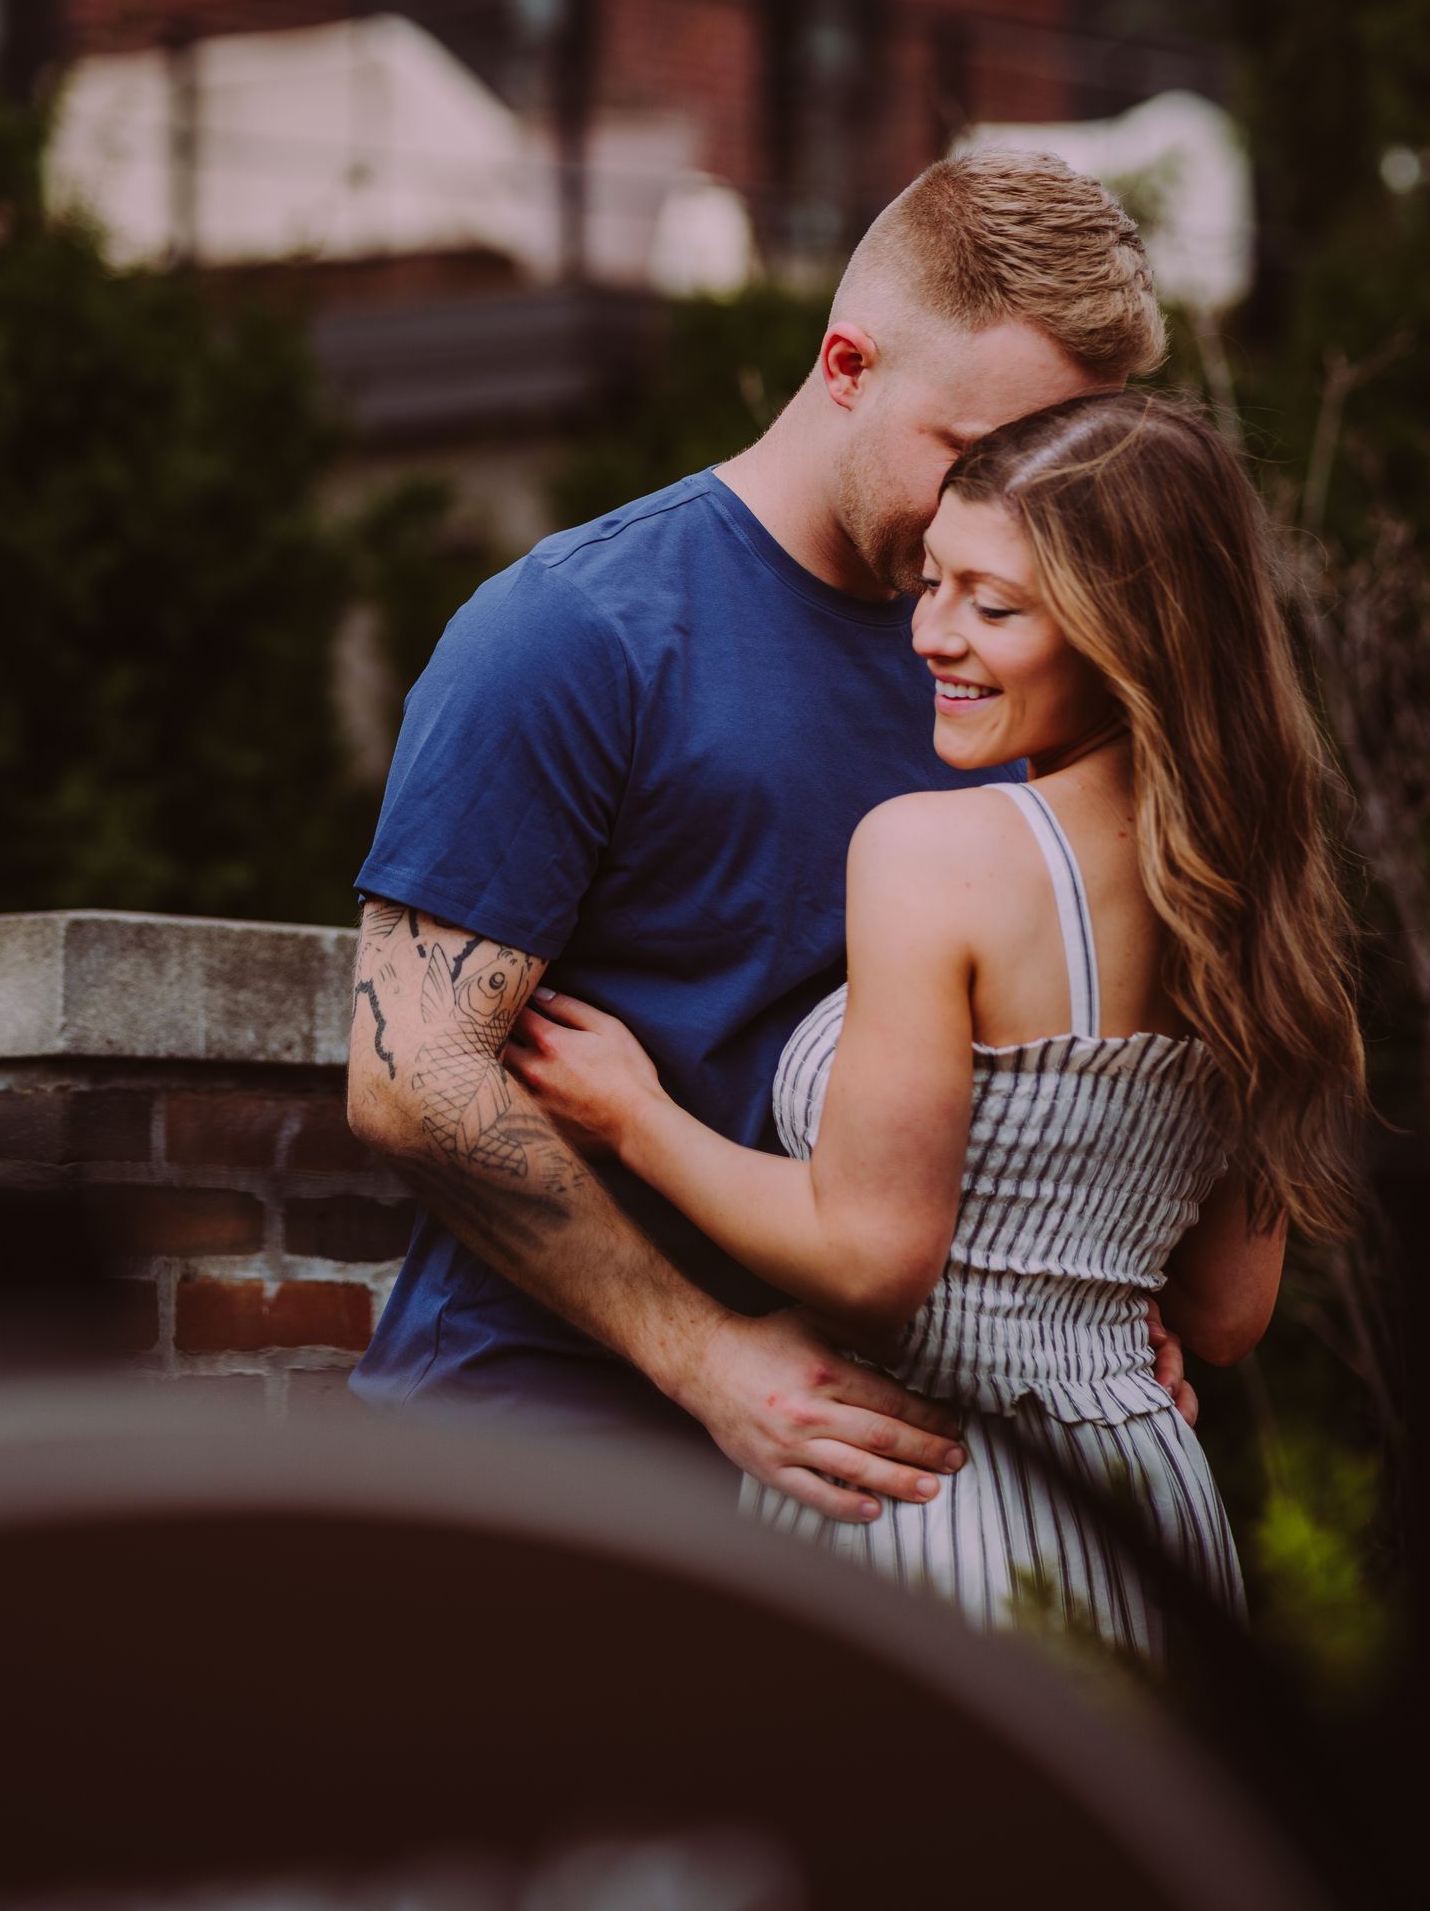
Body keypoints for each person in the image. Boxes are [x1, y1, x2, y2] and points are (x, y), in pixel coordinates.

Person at [347, 150, 1178, 1525]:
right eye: (975, 458)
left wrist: (1093, 1301)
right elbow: (410, 1074)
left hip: (868, 1491)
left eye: (1057, 475)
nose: (1019, 520)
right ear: (846, 364)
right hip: (531, 1460)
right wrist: (704, 1357)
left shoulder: (1031, 671)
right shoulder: (576, 629)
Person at [506, 390, 1367, 1652]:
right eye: (933, 582)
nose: (930, 634)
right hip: (1147, 1512)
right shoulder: (1268, 905)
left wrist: (637, 1120)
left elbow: (871, 1258)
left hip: (926, 1508)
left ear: (1132, 634)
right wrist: (1072, 1321)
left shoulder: (933, 854)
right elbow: (1226, 1315)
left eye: (994, 606)